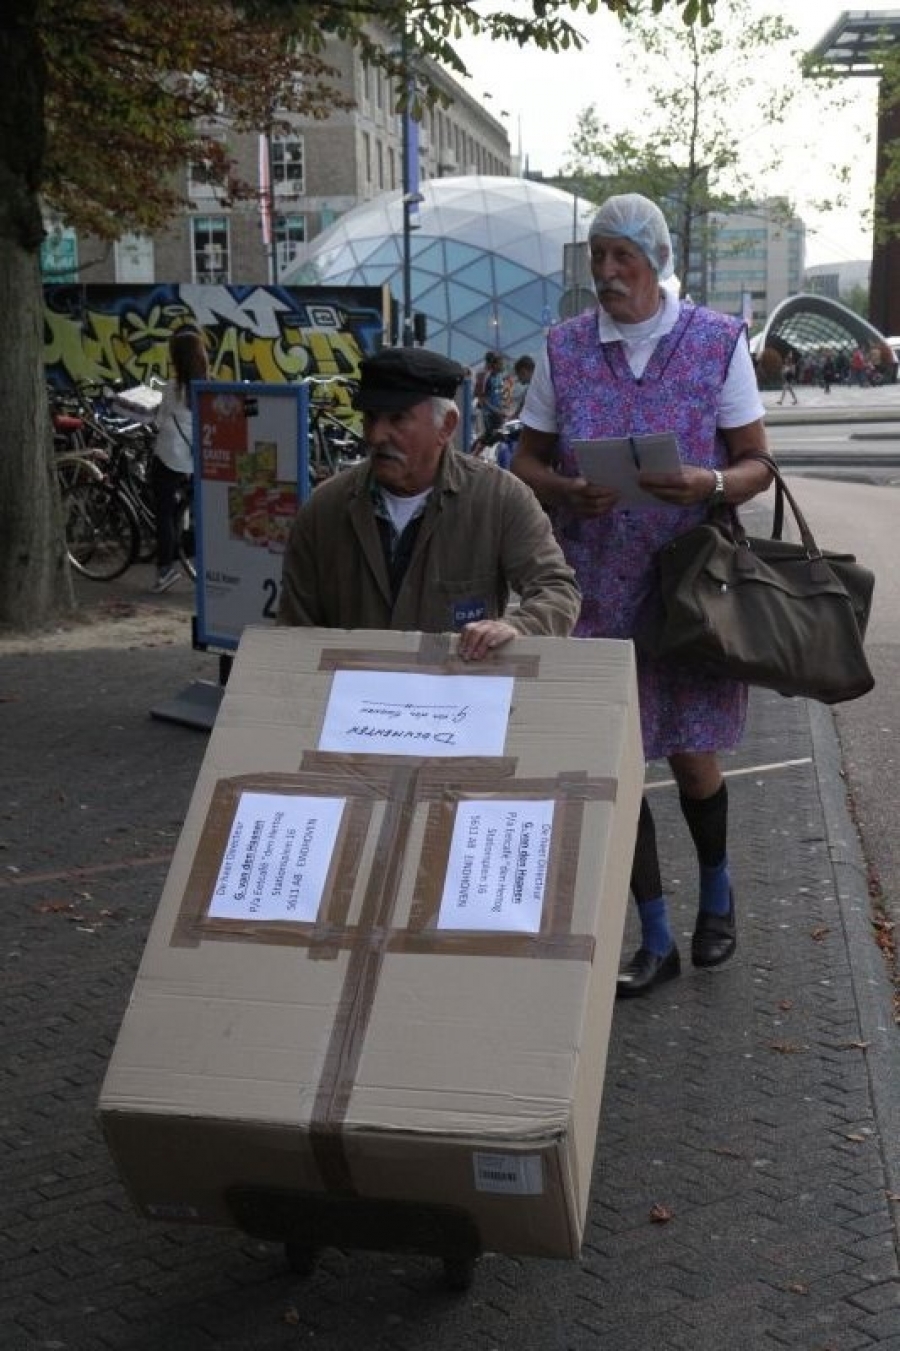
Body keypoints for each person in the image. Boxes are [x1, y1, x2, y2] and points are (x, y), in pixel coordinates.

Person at [511, 192, 773, 998]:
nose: (607, 272)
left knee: (695, 756)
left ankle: (718, 896)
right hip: (596, 590)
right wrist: (563, 489)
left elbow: (758, 462)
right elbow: (525, 462)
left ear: (656, 259)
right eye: (597, 255)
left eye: (622, 255)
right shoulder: (564, 350)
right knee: (616, 769)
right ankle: (653, 935)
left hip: (690, 587)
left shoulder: (716, 342)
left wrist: (710, 481)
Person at [277, 346, 580, 658]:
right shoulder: (325, 510)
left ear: (446, 426)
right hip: (349, 699)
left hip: (456, 700)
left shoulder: (499, 500)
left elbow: (556, 589)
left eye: (397, 419)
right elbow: (294, 627)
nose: (377, 435)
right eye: (370, 417)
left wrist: (520, 627)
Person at [149, 329, 208, 593]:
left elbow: (160, 420)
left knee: (164, 513)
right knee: (194, 511)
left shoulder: (173, 388)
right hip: (195, 459)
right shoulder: (207, 387)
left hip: (169, 456)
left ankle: (165, 570)